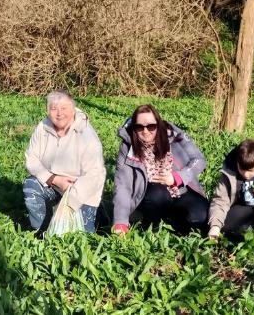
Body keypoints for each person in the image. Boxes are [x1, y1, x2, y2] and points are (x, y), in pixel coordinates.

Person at [112, 104, 209, 235]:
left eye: (151, 126)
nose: (145, 131)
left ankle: (172, 219)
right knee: (158, 195)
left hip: (179, 190)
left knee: (200, 216)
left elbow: (199, 159)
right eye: (139, 127)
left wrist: (177, 177)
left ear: (158, 124)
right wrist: (120, 222)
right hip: (148, 195)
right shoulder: (128, 147)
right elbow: (122, 186)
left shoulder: (174, 135)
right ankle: (150, 228)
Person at [23, 91, 105, 234]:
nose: (59, 113)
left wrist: (70, 203)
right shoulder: (42, 128)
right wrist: (54, 179)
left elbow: (94, 175)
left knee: (81, 235)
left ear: (73, 109)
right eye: (54, 108)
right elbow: (31, 158)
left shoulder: (87, 135)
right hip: (53, 183)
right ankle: (40, 231)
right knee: (30, 185)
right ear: (48, 111)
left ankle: (100, 213)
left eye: (64, 108)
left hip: (81, 190)